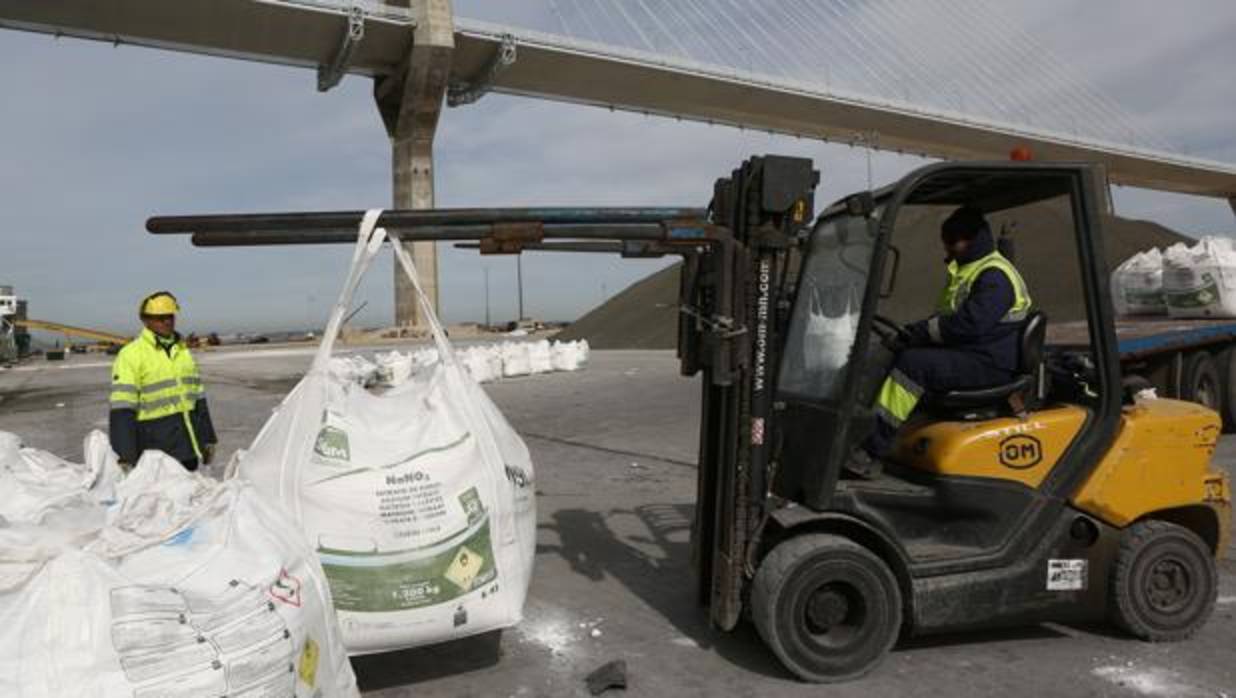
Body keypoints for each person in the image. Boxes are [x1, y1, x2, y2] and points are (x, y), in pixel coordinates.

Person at [856, 206, 1033, 472]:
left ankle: (870, 451)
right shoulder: (970, 270)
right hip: (976, 353)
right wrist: (912, 333)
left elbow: (969, 325)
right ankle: (890, 438)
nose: (947, 251)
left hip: (991, 363)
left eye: (951, 243)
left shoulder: (994, 275)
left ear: (969, 239)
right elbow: (945, 318)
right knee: (893, 355)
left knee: (913, 366)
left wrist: (920, 334)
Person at [109, 291, 217, 471]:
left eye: (170, 316)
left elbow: (198, 398)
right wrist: (126, 456)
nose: (167, 321)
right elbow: (122, 408)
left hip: (188, 448)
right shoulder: (130, 355)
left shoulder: (183, 352)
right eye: (159, 318)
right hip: (155, 455)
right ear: (145, 320)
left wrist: (207, 438)